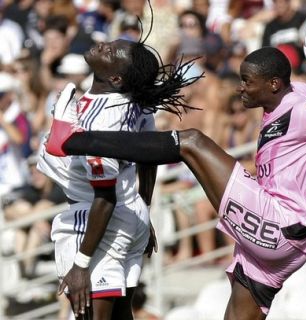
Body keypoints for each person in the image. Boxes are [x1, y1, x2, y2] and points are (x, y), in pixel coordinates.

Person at [45, 47, 306, 320]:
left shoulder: (303, 111)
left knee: (191, 142)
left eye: (248, 82)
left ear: (273, 85)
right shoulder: (295, 93)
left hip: (278, 222)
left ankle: (74, 139)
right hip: (283, 248)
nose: (241, 89)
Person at [37, 14, 202, 320]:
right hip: (128, 214)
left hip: (100, 220)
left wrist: (81, 264)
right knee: (122, 315)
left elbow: (105, 196)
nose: (102, 45)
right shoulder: (132, 103)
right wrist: (145, 207)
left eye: (111, 52)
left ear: (115, 79)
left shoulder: (100, 121)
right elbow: (148, 154)